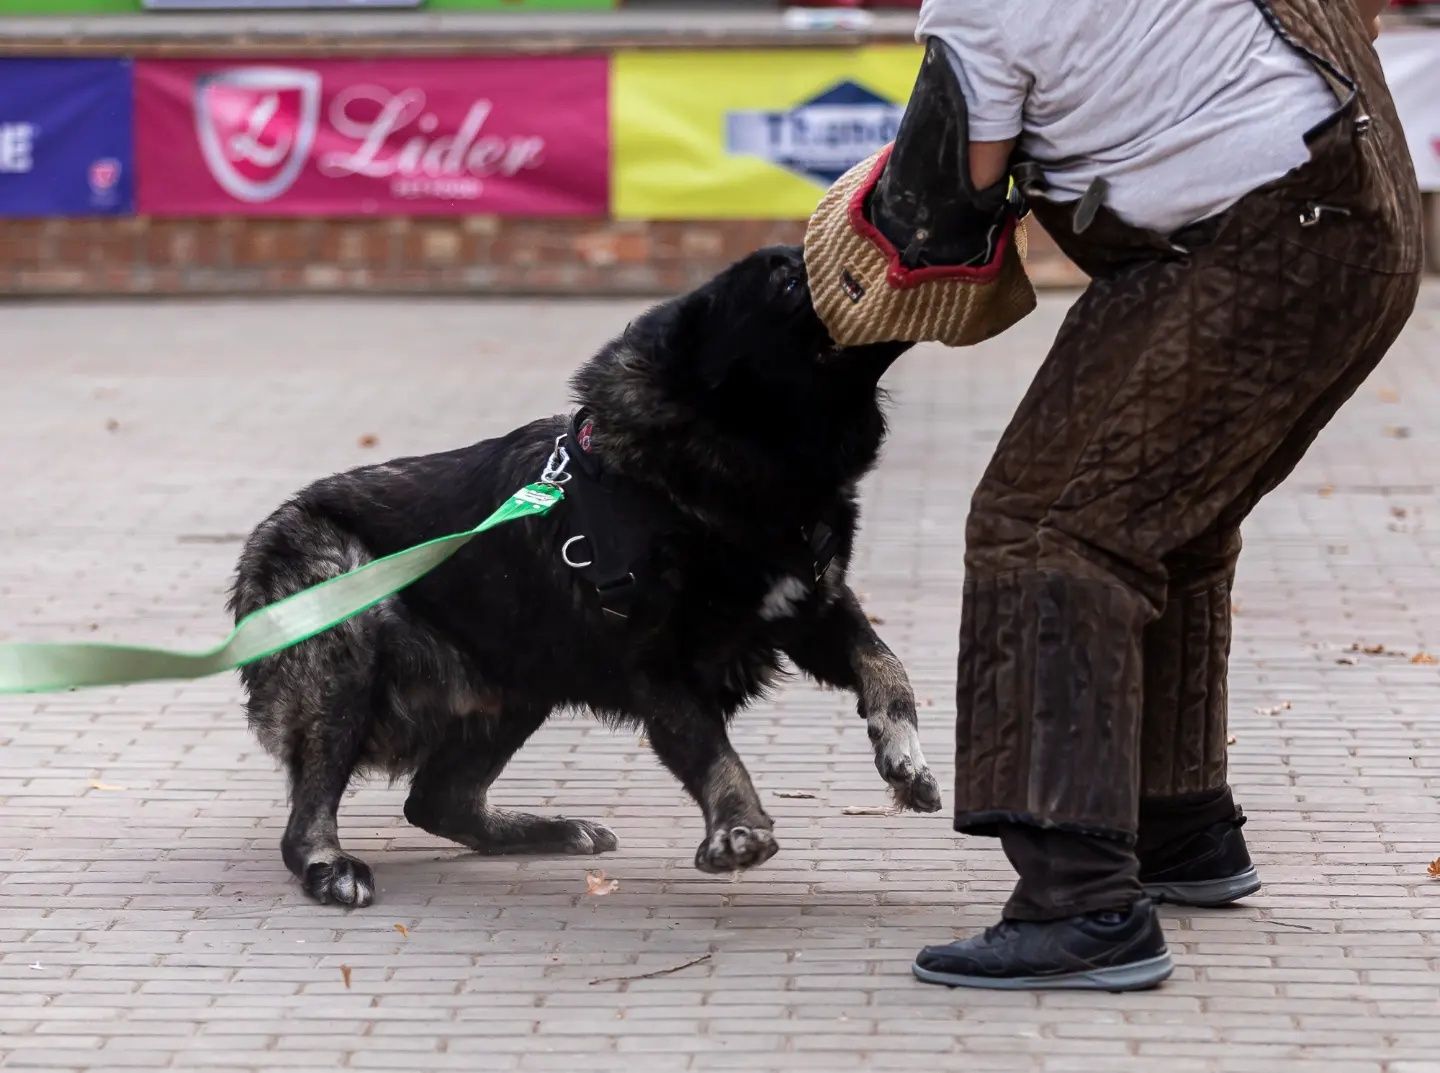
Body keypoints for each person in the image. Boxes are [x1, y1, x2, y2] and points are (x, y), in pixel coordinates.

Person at [838, 0, 1422, 990]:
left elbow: (959, 195)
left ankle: (1081, 900)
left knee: (1048, 525)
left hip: (1254, 237)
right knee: (1162, 512)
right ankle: (1178, 825)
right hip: (1363, 219)